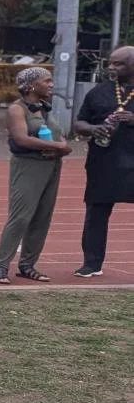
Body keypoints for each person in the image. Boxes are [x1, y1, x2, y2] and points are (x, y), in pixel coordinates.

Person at [0, 66, 71, 284]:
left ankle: (27, 264)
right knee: (20, 217)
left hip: (52, 166)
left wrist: (62, 147)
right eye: (47, 80)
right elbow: (21, 139)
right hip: (29, 166)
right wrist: (59, 146)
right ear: (31, 85)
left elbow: (57, 135)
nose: (51, 84)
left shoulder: (44, 108)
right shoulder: (17, 110)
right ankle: (0, 267)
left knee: (42, 217)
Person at [74, 45, 134, 278]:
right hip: (104, 163)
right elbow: (79, 123)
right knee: (96, 213)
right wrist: (93, 129)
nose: (111, 67)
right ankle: (92, 263)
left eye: (118, 64)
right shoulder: (98, 92)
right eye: (110, 63)